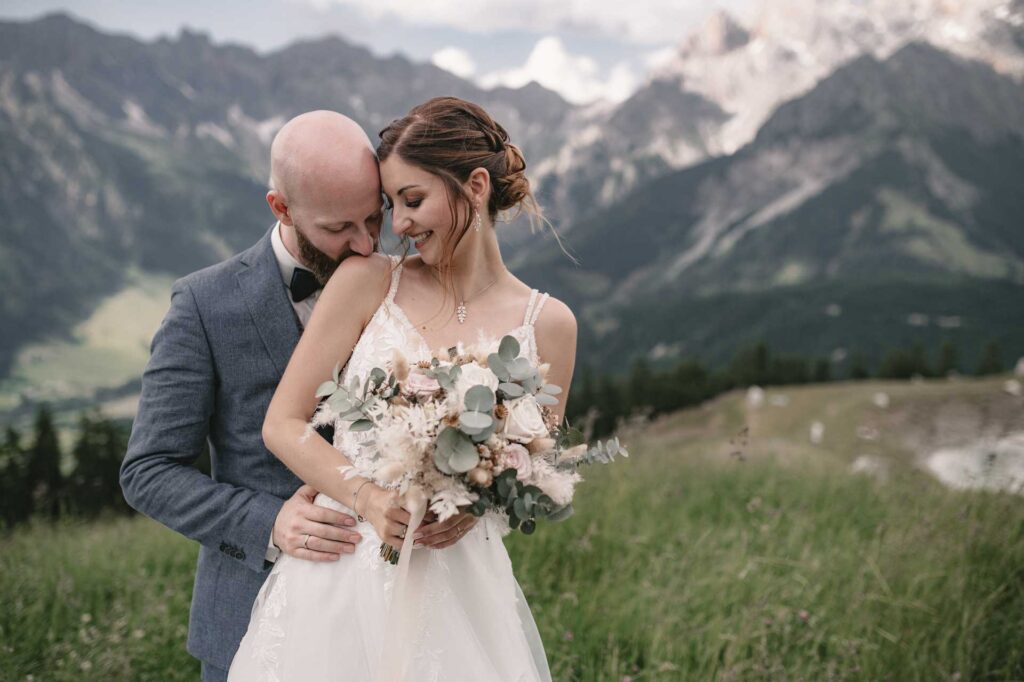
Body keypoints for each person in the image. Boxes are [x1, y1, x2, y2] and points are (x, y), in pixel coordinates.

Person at [227, 96, 577, 680]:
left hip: (459, 586)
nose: (399, 225)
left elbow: (535, 468)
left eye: (413, 200)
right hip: (341, 572)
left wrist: (475, 508)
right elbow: (282, 425)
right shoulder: (367, 281)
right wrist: (366, 497)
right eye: (392, 205)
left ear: (476, 187)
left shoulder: (550, 325)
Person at [120, 111, 472, 682]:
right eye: (339, 228)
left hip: (397, 608)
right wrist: (268, 522)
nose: (365, 244)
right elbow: (148, 471)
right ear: (281, 208)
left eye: (373, 217)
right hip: (253, 617)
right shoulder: (203, 306)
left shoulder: (409, 285)